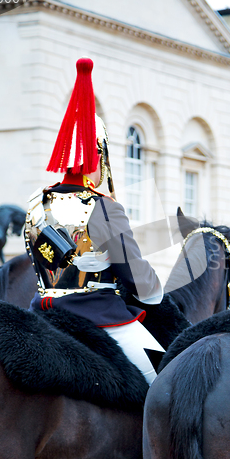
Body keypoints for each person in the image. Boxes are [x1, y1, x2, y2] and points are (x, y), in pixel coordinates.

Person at [25, 58, 164, 385]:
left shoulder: (36, 203)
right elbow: (138, 281)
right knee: (164, 375)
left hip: (41, 313)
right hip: (96, 316)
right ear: (96, 157)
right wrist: (153, 288)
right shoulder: (103, 207)